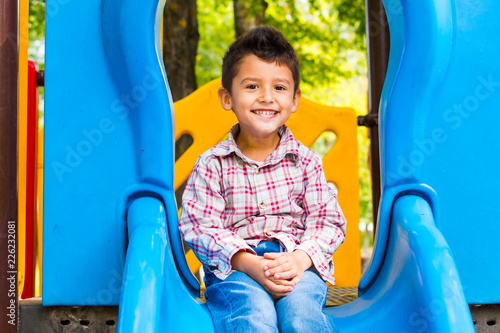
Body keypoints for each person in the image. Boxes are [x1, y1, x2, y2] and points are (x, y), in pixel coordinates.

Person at [179, 25, 346, 333]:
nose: (267, 97)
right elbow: (199, 226)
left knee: (301, 316)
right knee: (253, 315)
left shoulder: (306, 162)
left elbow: (328, 222)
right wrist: (246, 261)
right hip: (236, 268)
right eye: (252, 86)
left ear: (295, 100)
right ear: (227, 98)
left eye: (279, 88)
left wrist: (300, 259)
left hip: (295, 266)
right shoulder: (212, 164)